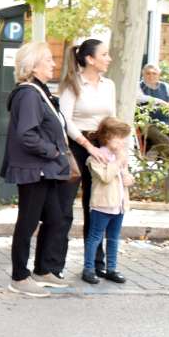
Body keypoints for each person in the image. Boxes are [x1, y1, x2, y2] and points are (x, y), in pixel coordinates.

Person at [0, 42, 72, 298]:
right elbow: (27, 135)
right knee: (28, 222)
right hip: (35, 170)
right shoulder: (29, 94)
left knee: (55, 218)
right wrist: (52, 151)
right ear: (33, 65)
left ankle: (43, 270)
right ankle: (19, 276)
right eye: (49, 60)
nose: (54, 64)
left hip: (44, 169)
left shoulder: (38, 91)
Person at [58, 38, 117, 279]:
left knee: (98, 207)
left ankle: (94, 264)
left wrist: (115, 148)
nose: (109, 58)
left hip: (102, 146)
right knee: (64, 208)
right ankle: (54, 265)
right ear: (90, 59)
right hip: (76, 146)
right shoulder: (72, 84)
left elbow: (111, 117)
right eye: (105, 54)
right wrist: (86, 145)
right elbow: (65, 120)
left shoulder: (109, 85)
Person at [82, 117, 134, 285]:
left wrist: (128, 177)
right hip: (102, 205)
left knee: (113, 238)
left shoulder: (120, 156)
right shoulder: (96, 158)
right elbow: (105, 177)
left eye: (123, 138)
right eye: (118, 137)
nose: (122, 142)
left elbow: (124, 176)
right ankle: (88, 269)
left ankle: (111, 268)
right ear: (107, 137)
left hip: (119, 205)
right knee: (95, 237)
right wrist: (118, 161)